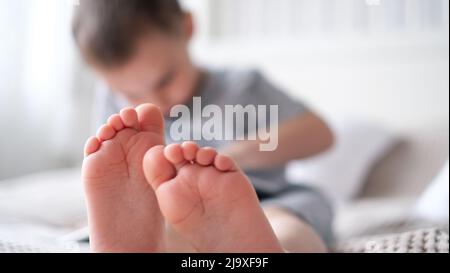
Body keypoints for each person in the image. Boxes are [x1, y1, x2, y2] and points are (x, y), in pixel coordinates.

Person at [73, 0, 334, 253]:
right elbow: (113, 177)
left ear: (187, 28)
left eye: (165, 81)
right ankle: (143, 242)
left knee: (286, 221)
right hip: (169, 209)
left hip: (267, 197)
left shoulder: (242, 87)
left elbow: (319, 133)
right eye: (129, 94)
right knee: (171, 226)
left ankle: (276, 248)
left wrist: (234, 156)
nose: (155, 102)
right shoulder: (113, 105)